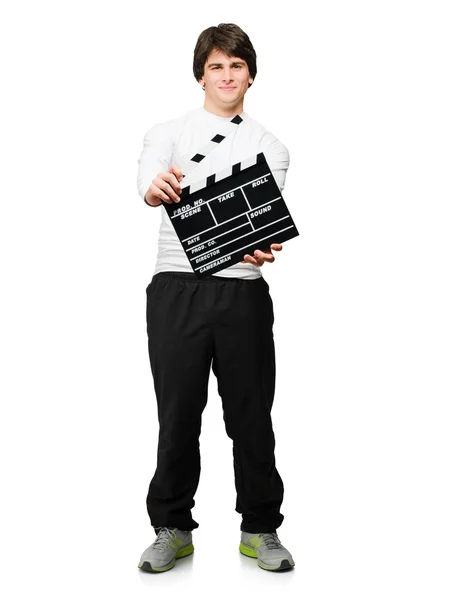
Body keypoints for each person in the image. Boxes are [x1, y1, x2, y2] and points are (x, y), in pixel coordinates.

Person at [136, 23, 295, 573]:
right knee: (177, 413)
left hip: (242, 296)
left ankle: (261, 528)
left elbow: (253, 224)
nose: (227, 76)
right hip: (175, 290)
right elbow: (150, 179)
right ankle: (171, 527)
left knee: (251, 414)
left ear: (251, 74)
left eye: (237, 66)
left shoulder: (271, 146)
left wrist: (252, 241)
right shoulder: (168, 132)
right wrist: (157, 187)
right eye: (216, 67)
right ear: (200, 74)